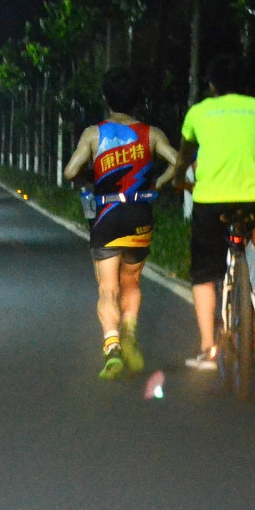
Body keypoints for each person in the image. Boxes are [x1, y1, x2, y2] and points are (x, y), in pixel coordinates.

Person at [170, 54, 255, 370]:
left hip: (211, 201)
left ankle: (208, 347)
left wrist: (179, 180)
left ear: (211, 85)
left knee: (204, 274)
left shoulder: (198, 112)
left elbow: (183, 157)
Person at [63, 70, 179, 380]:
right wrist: (160, 183)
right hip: (140, 214)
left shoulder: (93, 133)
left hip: (107, 215)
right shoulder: (151, 133)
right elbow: (177, 161)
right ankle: (130, 332)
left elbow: (70, 171)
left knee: (107, 287)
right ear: (137, 99)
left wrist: (91, 177)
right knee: (132, 282)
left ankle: (112, 346)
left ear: (105, 99)